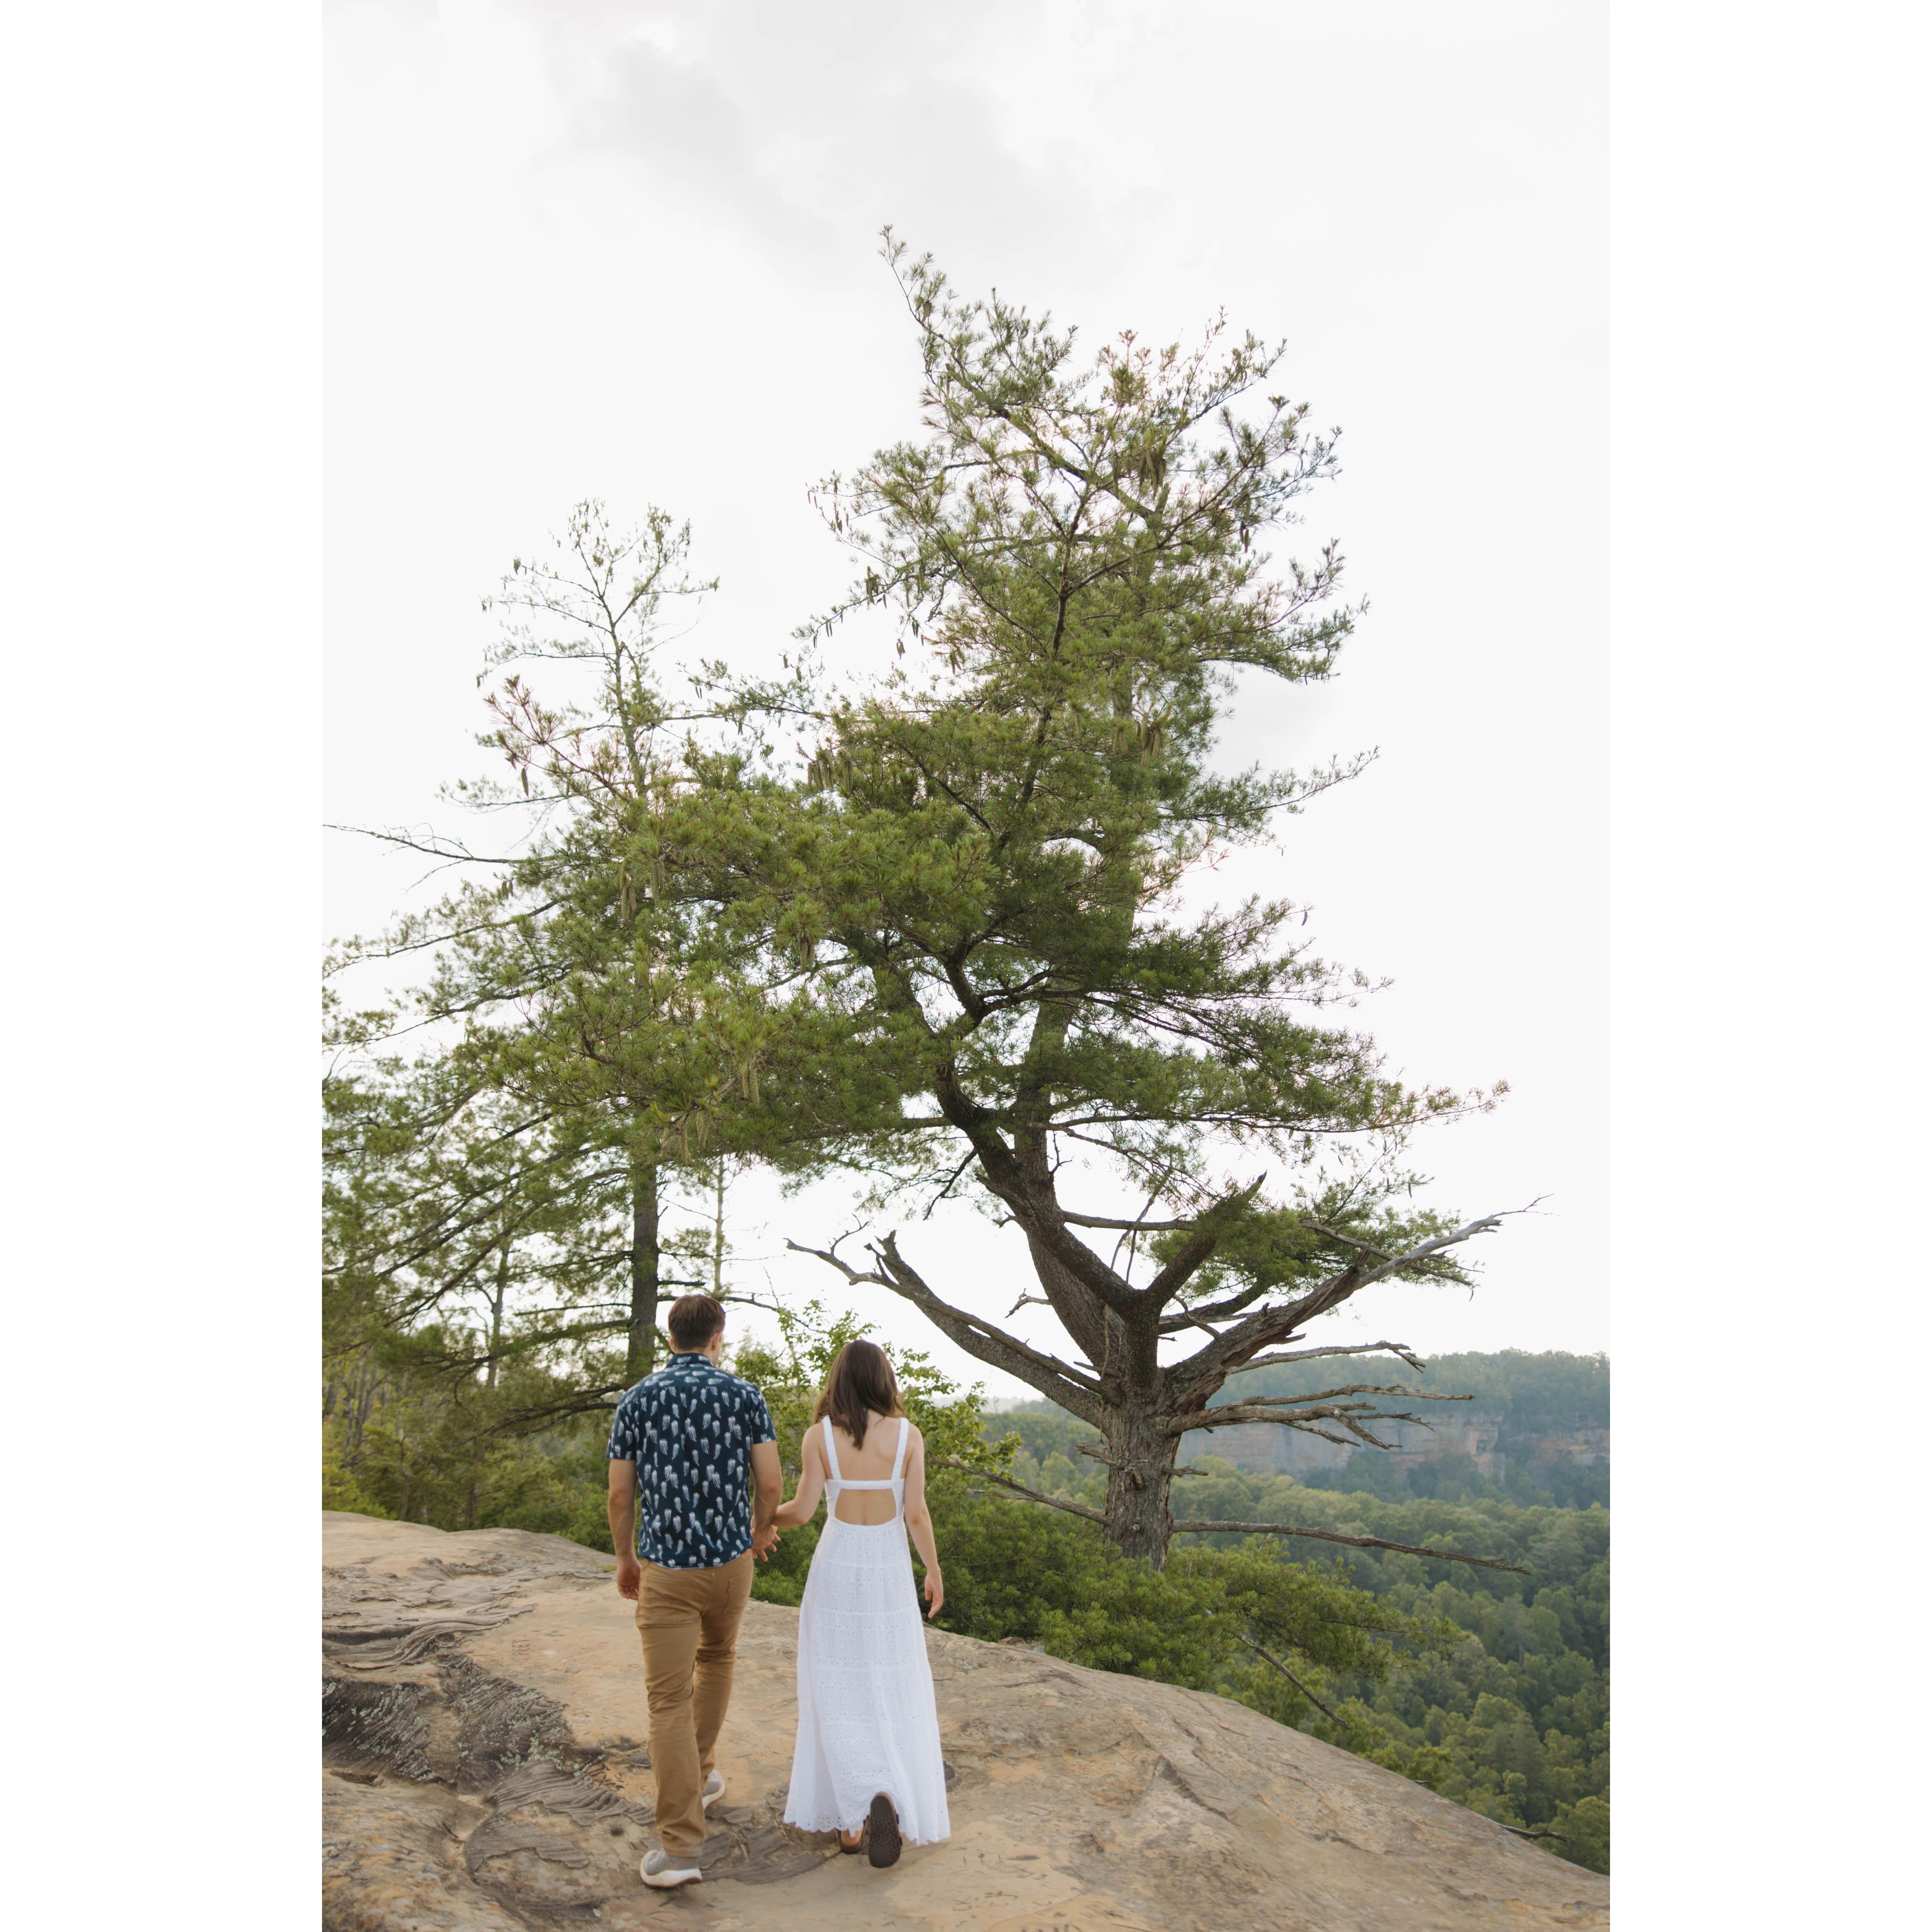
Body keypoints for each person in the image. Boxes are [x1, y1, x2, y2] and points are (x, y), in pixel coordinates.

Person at [606, 1293, 782, 1891]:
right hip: (732, 1566)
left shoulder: (638, 1399)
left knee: (667, 1701)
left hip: (668, 1573)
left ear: (670, 1336)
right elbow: (773, 1479)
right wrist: (760, 1530)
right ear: (718, 1336)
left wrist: (626, 1558)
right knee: (719, 1659)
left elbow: (620, 1495)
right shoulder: (745, 1396)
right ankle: (700, 1775)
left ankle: (681, 1849)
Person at [773, 1338, 950, 1867]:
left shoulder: (818, 1438)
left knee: (835, 1688)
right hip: (889, 1573)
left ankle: (853, 1820)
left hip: (836, 1569)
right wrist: (934, 1571)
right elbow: (916, 1514)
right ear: (883, 1380)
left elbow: (803, 1513)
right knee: (891, 1684)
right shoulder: (908, 1437)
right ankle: (888, 1793)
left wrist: (761, 1521)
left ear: (839, 1381)